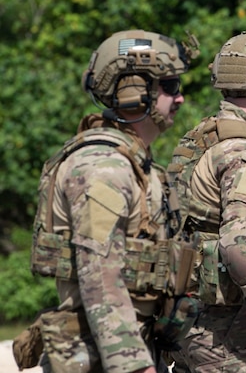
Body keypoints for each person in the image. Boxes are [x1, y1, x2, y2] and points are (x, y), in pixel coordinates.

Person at [27, 30, 198, 373]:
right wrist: (133, 365)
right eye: (170, 86)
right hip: (104, 359)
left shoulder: (137, 165)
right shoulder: (103, 167)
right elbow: (100, 275)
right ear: (133, 90)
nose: (179, 99)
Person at [166, 31, 246, 373]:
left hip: (185, 313)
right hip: (221, 324)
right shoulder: (243, 151)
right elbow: (240, 239)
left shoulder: (203, 136)